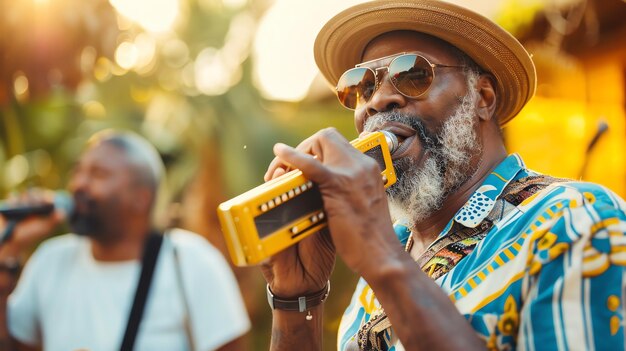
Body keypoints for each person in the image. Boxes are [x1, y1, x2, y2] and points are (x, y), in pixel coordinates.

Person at [261, 1, 626, 350]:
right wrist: (298, 300)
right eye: (363, 86)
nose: (377, 100)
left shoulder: (576, 221)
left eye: (413, 73)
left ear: (482, 97)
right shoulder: (378, 276)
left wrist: (379, 255)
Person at [0, 130, 250, 351]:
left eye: (98, 174)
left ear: (141, 198)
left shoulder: (192, 260)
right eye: (78, 171)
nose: (78, 184)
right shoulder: (50, 260)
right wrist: (8, 249)